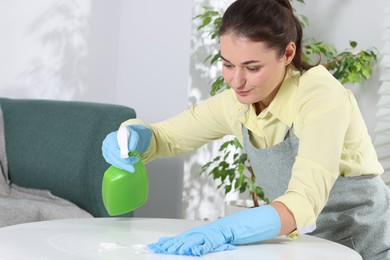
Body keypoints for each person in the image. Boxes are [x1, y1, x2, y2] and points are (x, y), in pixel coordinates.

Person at [102, 0, 390, 258]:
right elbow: (166, 137)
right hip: (304, 245)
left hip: (361, 245)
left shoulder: (320, 96)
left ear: (288, 53)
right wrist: (133, 138)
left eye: (252, 68)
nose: (236, 81)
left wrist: (223, 230)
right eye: (228, 65)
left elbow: (302, 202)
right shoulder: (238, 103)